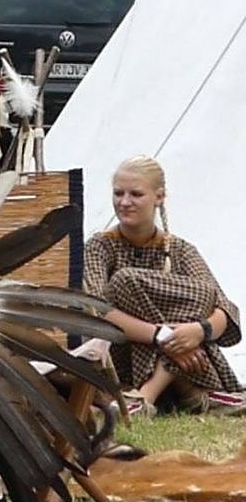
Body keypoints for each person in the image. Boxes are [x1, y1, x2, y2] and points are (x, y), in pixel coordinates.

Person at [84, 156, 244, 416]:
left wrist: (197, 331)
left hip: (186, 356)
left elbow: (225, 308)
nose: (124, 202)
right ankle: (194, 395)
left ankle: (145, 397)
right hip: (122, 358)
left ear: (159, 197)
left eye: (136, 194)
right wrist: (163, 336)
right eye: (118, 193)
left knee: (203, 293)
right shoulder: (100, 246)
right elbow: (95, 309)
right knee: (125, 281)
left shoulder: (181, 250)